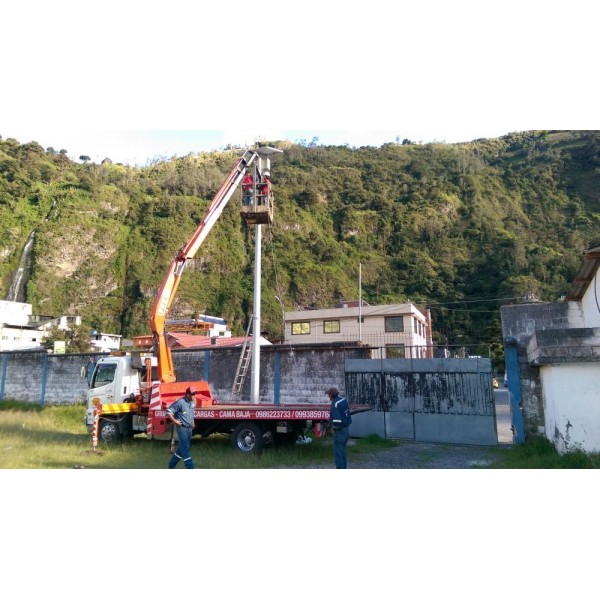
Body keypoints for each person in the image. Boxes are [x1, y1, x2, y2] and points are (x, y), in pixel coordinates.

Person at [166, 386, 197, 469]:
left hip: (189, 428)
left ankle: (171, 465)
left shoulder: (193, 401)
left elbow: (192, 412)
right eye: (192, 394)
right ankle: (190, 467)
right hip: (182, 428)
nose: (194, 396)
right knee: (186, 448)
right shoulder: (180, 402)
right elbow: (168, 412)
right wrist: (175, 421)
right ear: (187, 395)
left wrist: (192, 421)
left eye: (194, 394)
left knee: (181, 449)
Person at [326, 387, 352, 469]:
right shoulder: (343, 400)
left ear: (331, 395)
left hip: (339, 432)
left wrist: (333, 428)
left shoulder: (335, 404)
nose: (328, 397)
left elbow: (337, 420)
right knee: (343, 451)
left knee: (338, 453)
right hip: (346, 430)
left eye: (328, 395)